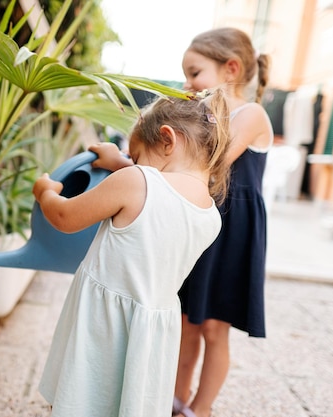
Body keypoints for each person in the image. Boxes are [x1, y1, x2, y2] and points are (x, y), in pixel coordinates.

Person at [34, 89, 231, 417]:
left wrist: (46, 192)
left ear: (167, 139)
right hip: (152, 329)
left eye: (135, 157)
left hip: (103, 323)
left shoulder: (136, 181)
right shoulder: (211, 215)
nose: (133, 164)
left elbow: (65, 218)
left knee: (81, 395)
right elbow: (165, 191)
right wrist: (124, 162)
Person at [173, 28, 274, 417]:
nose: (187, 83)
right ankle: (174, 398)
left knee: (215, 327)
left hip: (234, 230)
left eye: (195, 72)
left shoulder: (251, 114)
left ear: (230, 68)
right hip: (202, 225)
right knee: (187, 322)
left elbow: (212, 165)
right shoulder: (203, 116)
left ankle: (201, 407)